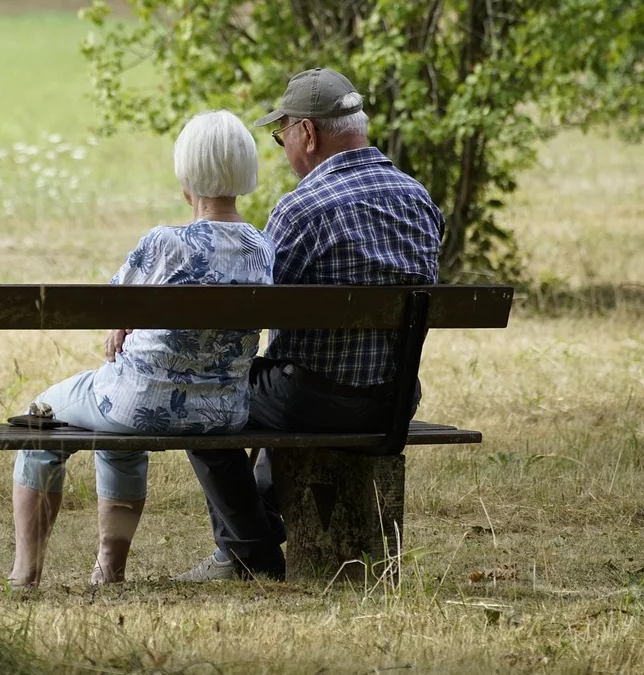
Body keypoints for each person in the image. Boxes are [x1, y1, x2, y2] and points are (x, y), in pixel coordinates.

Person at [174, 68, 444, 582]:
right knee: (285, 376)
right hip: (393, 401)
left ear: (309, 134)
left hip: (313, 401)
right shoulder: (419, 200)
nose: (284, 149)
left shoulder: (302, 209)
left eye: (282, 138)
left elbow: (252, 312)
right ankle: (255, 532)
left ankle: (249, 551)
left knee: (201, 393)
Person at [8, 110, 275, 588]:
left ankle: (25, 573)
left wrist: (121, 323)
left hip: (138, 403)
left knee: (40, 417)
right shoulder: (262, 247)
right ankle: (109, 570)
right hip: (222, 412)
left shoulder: (165, 243)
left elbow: (109, 304)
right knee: (116, 431)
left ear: (186, 176)